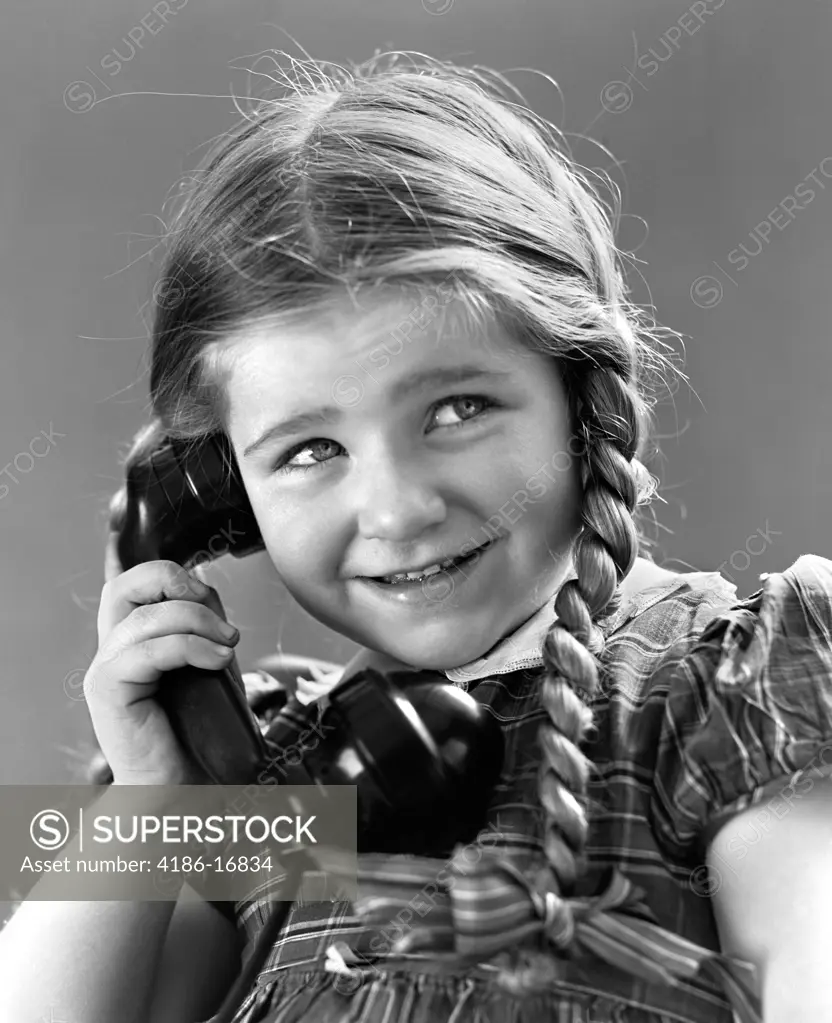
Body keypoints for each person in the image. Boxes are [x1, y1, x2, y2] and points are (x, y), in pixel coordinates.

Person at [2, 50, 832, 1023]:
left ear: (579, 397)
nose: (397, 510)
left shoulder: (721, 694)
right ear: (214, 494)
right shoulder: (271, 775)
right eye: (310, 450)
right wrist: (150, 799)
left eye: (455, 410)